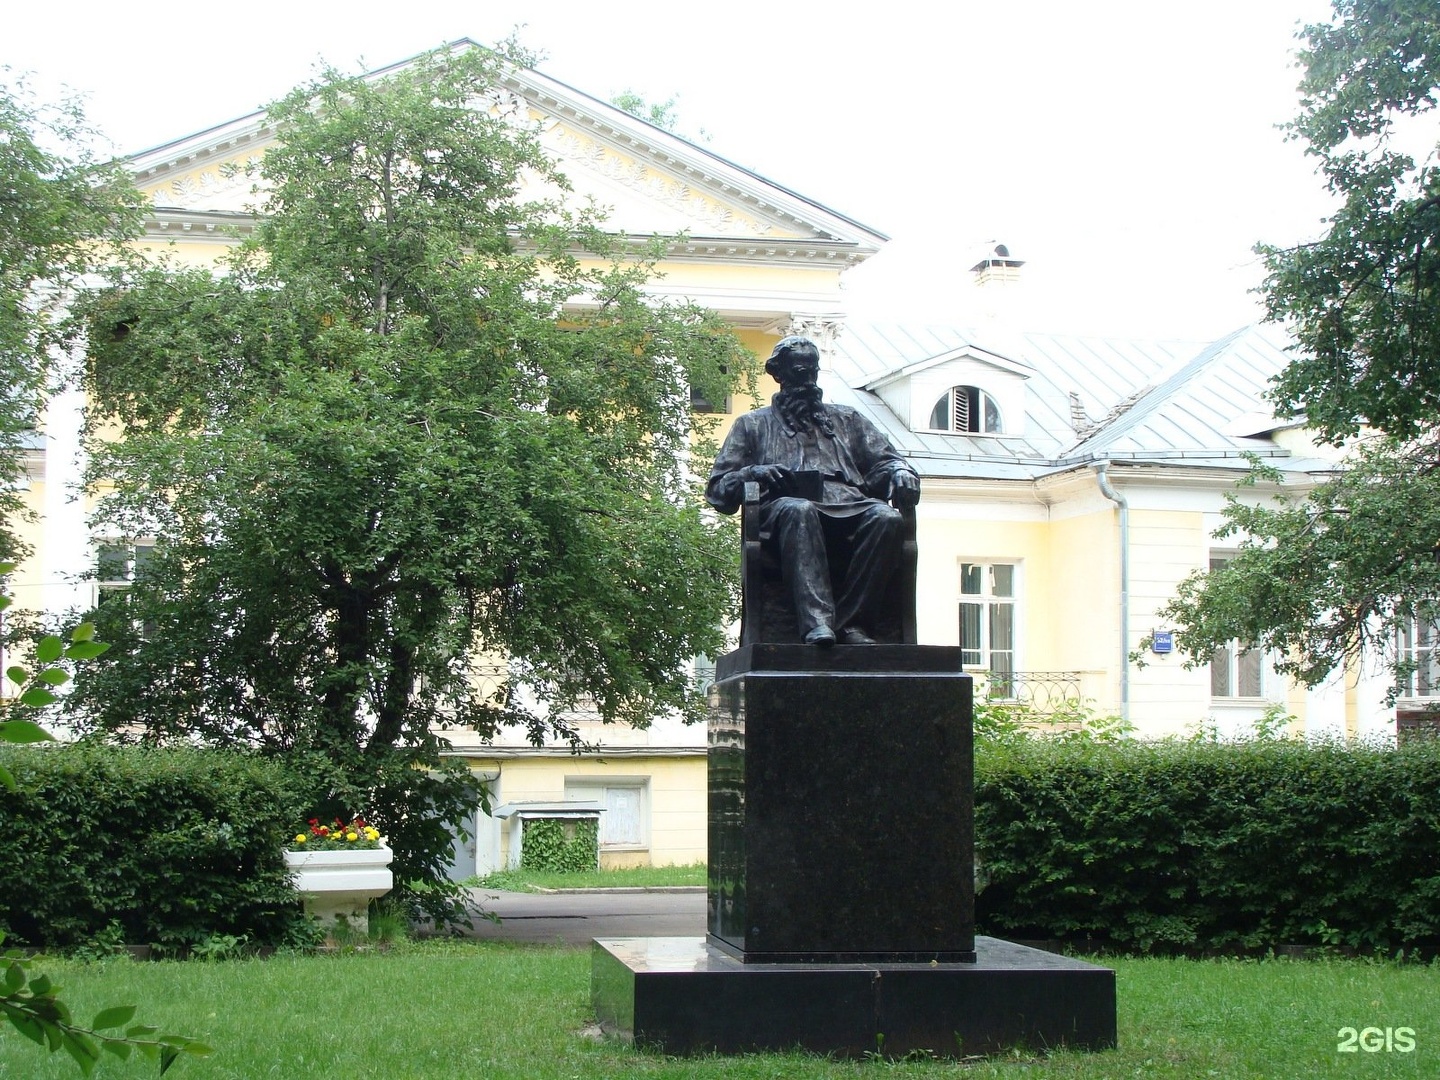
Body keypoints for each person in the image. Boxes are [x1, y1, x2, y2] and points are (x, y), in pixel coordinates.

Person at [706, 336, 920, 646]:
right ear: (779, 374)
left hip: (850, 503)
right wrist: (755, 472)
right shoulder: (752, 425)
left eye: (812, 372)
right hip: (783, 511)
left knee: (886, 518)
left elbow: (887, 460)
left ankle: (851, 625)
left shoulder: (848, 420)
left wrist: (900, 471)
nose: (807, 381)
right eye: (798, 372)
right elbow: (718, 490)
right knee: (800, 509)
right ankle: (817, 625)